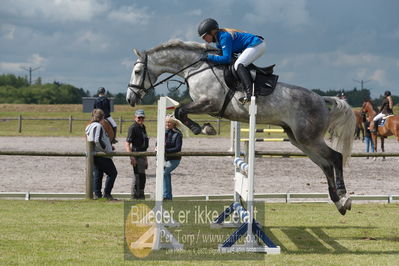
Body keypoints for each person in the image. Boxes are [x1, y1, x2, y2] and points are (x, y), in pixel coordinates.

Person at [197, 18, 266, 104]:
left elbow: (226, 58)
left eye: (204, 36)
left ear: (212, 32)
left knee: (239, 64)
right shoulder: (218, 42)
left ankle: (250, 93)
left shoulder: (224, 37)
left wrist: (209, 57)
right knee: (238, 64)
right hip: (254, 45)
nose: (203, 39)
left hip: (256, 44)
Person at [85, 109, 118, 200]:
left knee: (98, 174)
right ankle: (107, 194)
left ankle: (98, 195)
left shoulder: (89, 126)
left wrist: (109, 146)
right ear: (102, 117)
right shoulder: (99, 126)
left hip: (94, 154)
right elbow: (97, 140)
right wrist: (106, 150)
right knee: (113, 173)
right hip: (102, 155)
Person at [125, 109, 149, 199]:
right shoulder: (133, 128)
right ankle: (134, 196)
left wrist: (146, 159)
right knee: (137, 175)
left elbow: (144, 145)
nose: (140, 119)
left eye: (142, 117)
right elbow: (127, 144)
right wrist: (132, 157)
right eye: (139, 117)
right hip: (135, 153)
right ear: (135, 117)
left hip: (143, 154)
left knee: (142, 176)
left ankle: (141, 194)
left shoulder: (143, 127)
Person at [163, 115, 183, 200]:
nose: (167, 124)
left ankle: (166, 195)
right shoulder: (163, 132)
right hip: (165, 158)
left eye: (169, 122)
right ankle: (168, 196)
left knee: (164, 173)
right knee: (166, 174)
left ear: (173, 123)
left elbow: (177, 148)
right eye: (166, 122)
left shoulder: (178, 134)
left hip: (175, 159)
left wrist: (165, 150)